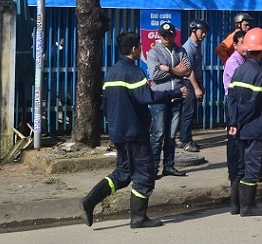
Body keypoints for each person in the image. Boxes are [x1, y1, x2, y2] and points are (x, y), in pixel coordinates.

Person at [79, 31, 188, 229]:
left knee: (123, 173)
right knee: (144, 173)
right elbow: (147, 97)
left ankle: (89, 201)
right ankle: (138, 217)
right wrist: (175, 93)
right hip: (134, 132)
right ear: (135, 49)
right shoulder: (134, 72)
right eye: (139, 46)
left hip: (118, 132)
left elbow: (105, 102)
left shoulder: (112, 72)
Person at [226, 27, 262, 217]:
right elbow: (254, 104)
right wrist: (240, 121)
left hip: (238, 128)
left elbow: (231, 99)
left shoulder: (239, 70)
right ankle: (247, 206)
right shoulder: (260, 73)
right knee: (253, 166)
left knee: (240, 166)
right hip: (254, 128)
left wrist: (233, 122)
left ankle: (235, 206)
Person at [146, 21, 192, 178]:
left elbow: (187, 70)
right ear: (159, 36)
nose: (167, 38)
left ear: (174, 35)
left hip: (177, 97)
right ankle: (152, 169)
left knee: (171, 135)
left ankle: (169, 166)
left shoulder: (180, 50)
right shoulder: (154, 53)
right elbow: (154, 75)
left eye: (170, 35)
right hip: (159, 97)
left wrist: (166, 68)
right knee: (158, 135)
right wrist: (174, 70)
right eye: (164, 35)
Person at [220, 27, 247, 213]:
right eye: (242, 43)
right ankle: (235, 202)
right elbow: (234, 93)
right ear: (235, 45)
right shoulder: (234, 62)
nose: (246, 46)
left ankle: (238, 201)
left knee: (241, 153)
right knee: (236, 153)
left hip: (238, 108)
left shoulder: (243, 60)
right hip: (234, 109)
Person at [177, 19, 209, 153]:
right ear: (194, 31)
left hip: (194, 81)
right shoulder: (188, 47)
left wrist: (200, 85)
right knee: (188, 112)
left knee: (189, 112)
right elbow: (188, 70)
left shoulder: (196, 45)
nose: (204, 35)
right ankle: (186, 141)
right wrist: (196, 88)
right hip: (188, 82)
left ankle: (183, 138)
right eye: (202, 32)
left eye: (205, 32)